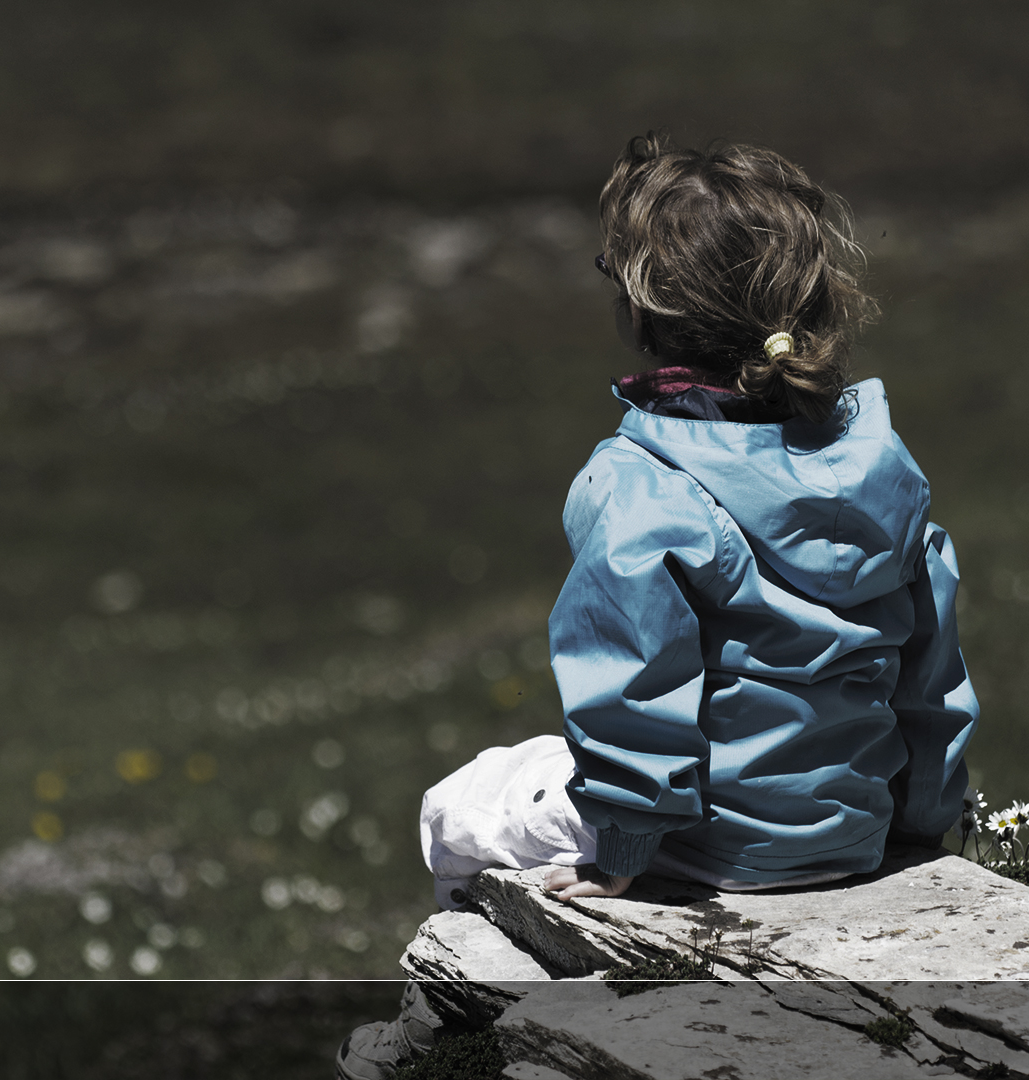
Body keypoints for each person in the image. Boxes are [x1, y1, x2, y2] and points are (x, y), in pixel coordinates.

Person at [336, 133, 979, 1080]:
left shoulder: (643, 485)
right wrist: (922, 824)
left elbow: (636, 691)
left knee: (459, 806)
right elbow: (933, 678)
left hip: (703, 850)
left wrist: (620, 855)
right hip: (852, 829)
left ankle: (439, 1036)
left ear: (645, 310)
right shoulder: (882, 469)